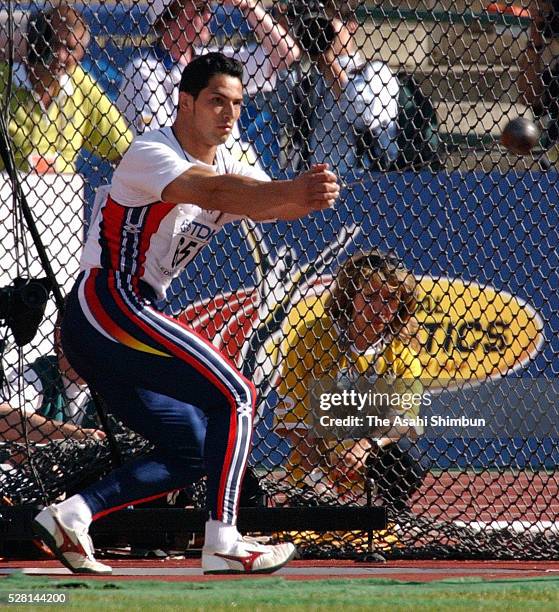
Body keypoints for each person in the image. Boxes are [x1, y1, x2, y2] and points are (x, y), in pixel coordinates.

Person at [32, 52, 339, 575]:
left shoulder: (232, 154)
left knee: (192, 446)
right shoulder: (151, 151)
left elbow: (264, 202)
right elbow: (215, 192)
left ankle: (71, 515)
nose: (229, 114)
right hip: (108, 302)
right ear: (186, 103)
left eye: (238, 104)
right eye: (217, 101)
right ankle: (223, 540)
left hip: (127, 318)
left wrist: (309, 197)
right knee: (237, 393)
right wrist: (290, 191)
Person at [275, 251, 428, 510]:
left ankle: (387, 508)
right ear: (349, 297)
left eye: (391, 298)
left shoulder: (403, 352)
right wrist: (318, 475)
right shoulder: (312, 337)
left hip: (370, 464)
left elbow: (403, 419)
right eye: (369, 297)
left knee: (409, 459)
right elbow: (294, 420)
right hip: (315, 464)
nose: (380, 308)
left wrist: (363, 448)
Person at [115, 0, 300, 165]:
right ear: (170, 16)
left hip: (228, 176)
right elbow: (160, 145)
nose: (208, 15)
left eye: (208, 8)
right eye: (200, 9)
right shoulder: (144, 70)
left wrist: (248, 6)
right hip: (184, 184)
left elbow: (286, 53)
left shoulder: (213, 60)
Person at [271, 1, 400, 175]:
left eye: (327, 20)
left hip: (364, 183)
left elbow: (365, 116)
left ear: (351, 26)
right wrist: (285, 47)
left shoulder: (377, 72)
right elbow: (280, 116)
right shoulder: (306, 78)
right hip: (313, 186)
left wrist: (329, 62)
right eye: (311, 22)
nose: (319, 28)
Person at [0, 4, 132, 173]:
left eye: (70, 48)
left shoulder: (81, 85)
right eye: (53, 43)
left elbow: (123, 150)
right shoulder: (5, 80)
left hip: (65, 195)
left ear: (81, 55)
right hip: (8, 194)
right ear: (36, 39)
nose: (60, 55)